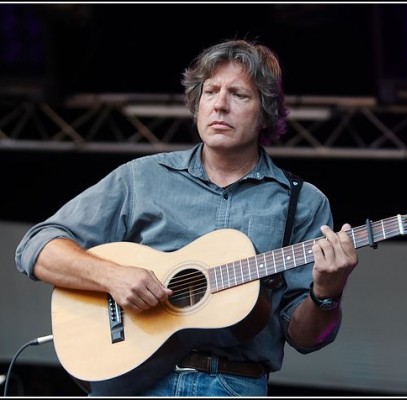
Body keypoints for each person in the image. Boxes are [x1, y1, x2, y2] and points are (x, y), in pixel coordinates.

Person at [15, 38, 359, 397]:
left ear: (265, 113)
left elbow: (306, 338)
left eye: (239, 95)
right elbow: (36, 247)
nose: (220, 105)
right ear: (196, 105)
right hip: (135, 383)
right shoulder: (142, 177)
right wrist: (112, 276)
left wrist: (327, 293)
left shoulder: (302, 202)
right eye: (210, 92)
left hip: (233, 385)